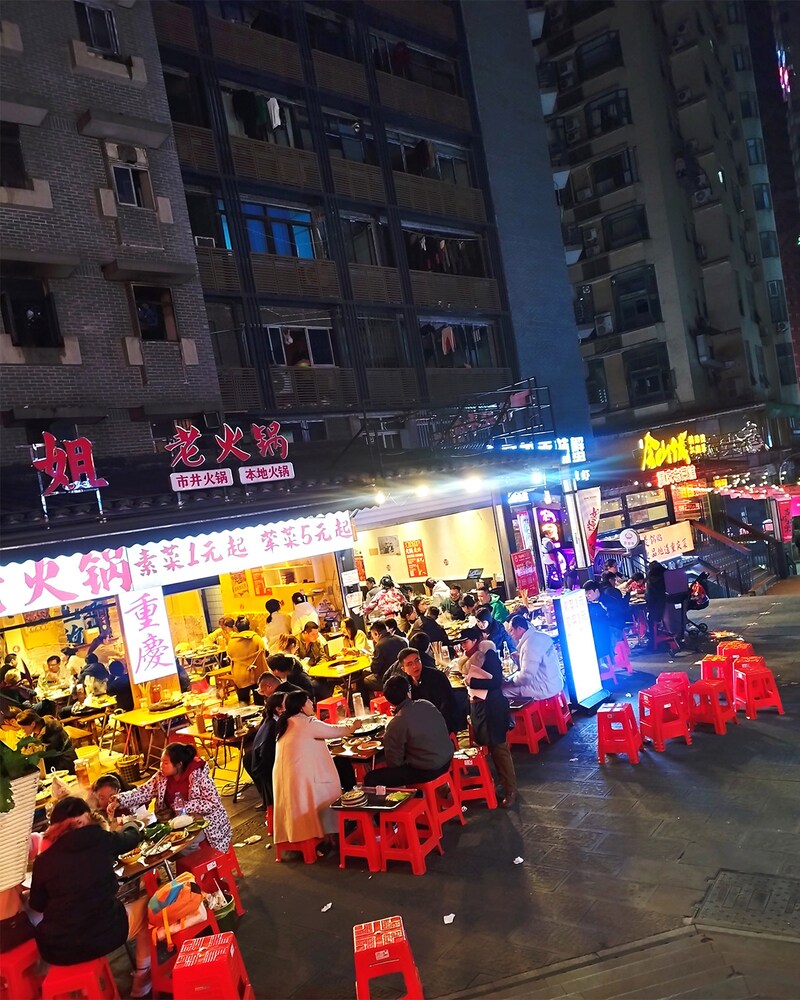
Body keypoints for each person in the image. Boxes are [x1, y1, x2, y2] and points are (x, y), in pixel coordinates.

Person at [29, 796, 151, 996]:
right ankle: (142, 980)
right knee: (148, 907)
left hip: (57, 949)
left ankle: (84, 992)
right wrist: (132, 824)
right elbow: (130, 838)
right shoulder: (99, 839)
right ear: (85, 819)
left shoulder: (43, 861)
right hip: (105, 935)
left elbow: (38, 904)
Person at [272, 689, 362, 856]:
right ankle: (326, 834)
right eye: (307, 701)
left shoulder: (287, 722)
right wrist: (353, 726)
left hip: (287, 777)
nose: (311, 703)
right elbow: (336, 731)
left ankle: (318, 835)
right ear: (300, 707)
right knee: (329, 790)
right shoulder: (306, 723)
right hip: (302, 777)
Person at [117, 743, 232, 855]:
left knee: (182, 845)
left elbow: (214, 802)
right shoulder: (161, 777)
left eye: (166, 763)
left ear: (178, 764)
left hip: (206, 823)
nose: (161, 766)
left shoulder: (199, 776)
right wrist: (119, 800)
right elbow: (142, 792)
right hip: (175, 822)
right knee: (154, 842)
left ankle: (198, 867)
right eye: (161, 762)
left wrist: (187, 806)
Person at [458, 626, 517, 808]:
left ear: (475, 641)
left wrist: (472, 681)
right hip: (480, 707)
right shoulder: (469, 659)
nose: (462, 647)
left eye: (465, 642)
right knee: (490, 748)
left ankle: (510, 789)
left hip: (493, 707)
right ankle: (500, 782)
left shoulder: (488, 654)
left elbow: (496, 681)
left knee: (499, 748)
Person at [364, 674, 453, 787]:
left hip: (429, 770)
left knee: (371, 778)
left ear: (389, 700)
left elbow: (394, 763)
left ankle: (411, 799)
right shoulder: (426, 704)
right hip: (447, 760)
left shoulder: (396, 723)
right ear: (408, 692)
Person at [392, 647, 459, 734]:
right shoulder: (405, 683)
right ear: (403, 669)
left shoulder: (437, 677)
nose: (415, 666)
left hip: (442, 723)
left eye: (417, 661)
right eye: (410, 664)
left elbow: (447, 705)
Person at [502, 615, 563, 702]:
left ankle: (512, 716)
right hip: (555, 682)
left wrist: (512, 681)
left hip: (543, 688)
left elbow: (526, 677)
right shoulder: (541, 636)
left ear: (519, 629)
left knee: (503, 691)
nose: (510, 634)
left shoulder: (529, 645)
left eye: (511, 630)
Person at [226, 616, 267, 703]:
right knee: (259, 703)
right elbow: (264, 653)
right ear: (249, 626)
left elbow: (229, 656)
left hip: (240, 676)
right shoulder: (257, 639)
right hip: (256, 675)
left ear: (236, 628)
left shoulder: (232, 641)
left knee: (243, 704)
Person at [362, 621, 407, 693]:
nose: (373, 639)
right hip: (404, 674)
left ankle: (367, 703)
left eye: (373, 636)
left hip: (389, 678)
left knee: (365, 680)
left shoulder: (380, 645)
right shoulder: (401, 640)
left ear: (377, 634)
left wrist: (372, 660)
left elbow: (375, 669)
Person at [583, 581, 614, 671]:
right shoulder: (593, 602)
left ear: (596, 591)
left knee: (596, 640)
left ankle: (602, 664)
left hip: (612, 627)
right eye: (586, 594)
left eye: (589, 593)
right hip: (603, 628)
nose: (587, 596)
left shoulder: (606, 600)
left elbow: (609, 616)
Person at [645, 561, 667, 648]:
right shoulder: (667, 576)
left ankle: (653, 641)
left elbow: (649, 597)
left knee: (650, 619)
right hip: (671, 608)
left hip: (657, 610)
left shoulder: (651, 580)